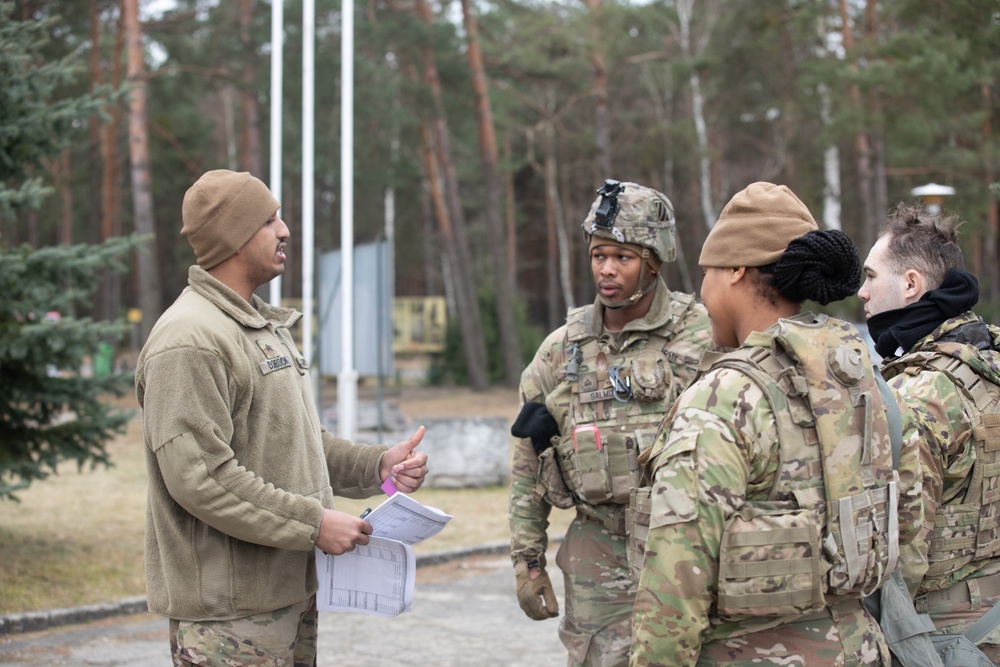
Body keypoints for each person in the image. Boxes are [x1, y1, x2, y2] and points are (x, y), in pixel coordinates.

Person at [135, 169, 428, 667]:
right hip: (229, 615)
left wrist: (377, 466)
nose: (285, 229)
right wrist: (313, 525)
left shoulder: (257, 327)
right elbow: (200, 478)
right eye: (269, 220)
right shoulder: (189, 340)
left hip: (286, 593)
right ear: (233, 235)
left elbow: (299, 444)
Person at [630, 182, 898, 666]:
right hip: (858, 648)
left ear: (735, 270)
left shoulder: (725, 398)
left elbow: (676, 583)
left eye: (706, 273)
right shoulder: (859, 379)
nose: (701, 293)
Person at [508, 179, 714, 666]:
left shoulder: (704, 333)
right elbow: (525, 463)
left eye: (622, 256)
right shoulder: (563, 349)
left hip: (685, 545)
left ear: (655, 258)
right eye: (599, 254)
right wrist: (528, 561)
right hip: (597, 549)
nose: (606, 268)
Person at [858, 202, 1000, 660]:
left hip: (951, 638)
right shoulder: (989, 358)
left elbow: (900, 554)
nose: (862, 292)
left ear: (911, 284)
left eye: (870, 277)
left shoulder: (920, 393)